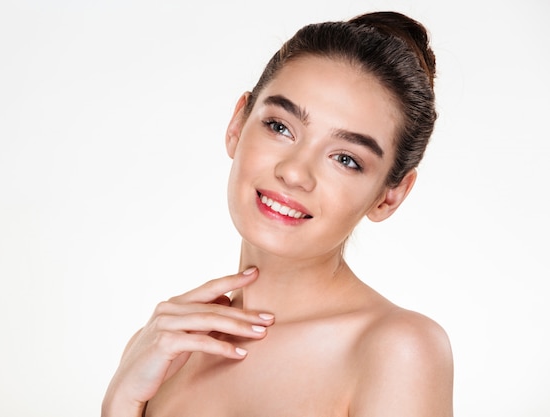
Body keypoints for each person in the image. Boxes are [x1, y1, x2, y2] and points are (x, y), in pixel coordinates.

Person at [102, 10, 454, 417]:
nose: (294, 172)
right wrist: (119, 405)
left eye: (346, 158)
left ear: (389, 196)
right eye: (280, 127)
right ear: (238, 122)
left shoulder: (397, 351)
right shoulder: (163, 346)